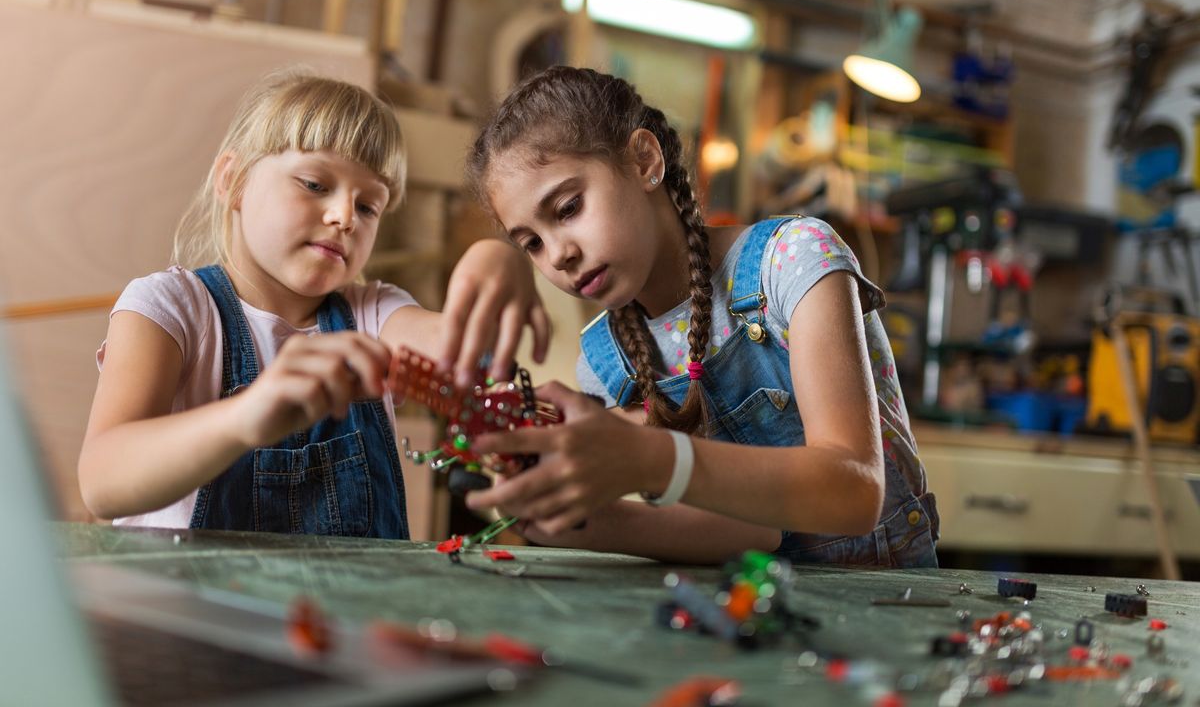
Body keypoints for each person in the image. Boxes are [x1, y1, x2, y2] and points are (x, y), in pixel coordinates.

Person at [462, 66, 938, 566]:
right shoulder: (606, 364)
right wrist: (581, 524)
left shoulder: (792, 261)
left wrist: (647, 458)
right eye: (531, 243)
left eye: (567, 208)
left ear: (644, 160)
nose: (558, 255)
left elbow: (854, 493)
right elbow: (756, 536)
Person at [78, 71, 548, 537]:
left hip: (349, 611)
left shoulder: (374, 316)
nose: (344, 217)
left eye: (368, 207)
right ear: (233, 181)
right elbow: (102, 483)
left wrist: (497, 256)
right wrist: (243, 419)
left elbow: (456, 352)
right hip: (190, 609)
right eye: (315, 185)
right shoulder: (170, 308)